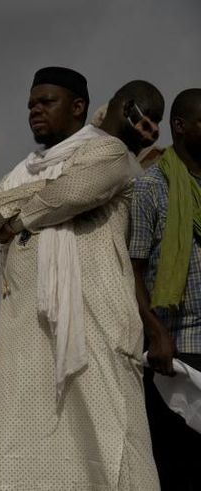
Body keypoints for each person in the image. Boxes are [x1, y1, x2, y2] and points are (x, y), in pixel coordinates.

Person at [0, 67, 163, 490]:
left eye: (46, 102)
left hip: (95, 316)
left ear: (77, 107)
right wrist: (35, 196)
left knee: (109, 430)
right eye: (31, 104)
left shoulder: (108, 152)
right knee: (22, 438)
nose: (35, 110)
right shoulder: (25, 168)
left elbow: (70, 194)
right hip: (28, 326)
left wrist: (15, 214)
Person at [129, 88, 201, 491]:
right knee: (178, 467)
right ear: (180, 127)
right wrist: (155, 333)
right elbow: (133, 271)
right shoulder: (151, 188)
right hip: (176, 353)